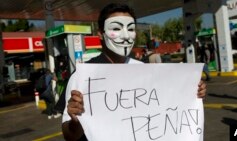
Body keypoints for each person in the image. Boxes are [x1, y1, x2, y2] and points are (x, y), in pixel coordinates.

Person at [62, 3, 207, 141]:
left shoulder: (143, 69)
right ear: (100, 34)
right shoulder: (82, 77)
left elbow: (167, 105)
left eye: (130, 29)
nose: (125, 36)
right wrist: (75, 120)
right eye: (117, 29)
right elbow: (70, 136)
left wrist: (192, 90)